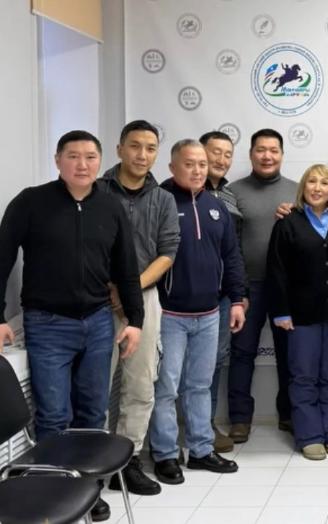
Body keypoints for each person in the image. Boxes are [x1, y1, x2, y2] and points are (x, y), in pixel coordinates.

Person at [0, 130, 143, 522]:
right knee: (53, 416)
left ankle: (87, 491)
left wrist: (135, 321)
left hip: (98, 322)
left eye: (90, 157)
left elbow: (127, 269)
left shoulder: (111, 206)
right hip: (47, 325)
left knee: (93, 413)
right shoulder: (31, 202)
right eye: (73, 156)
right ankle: (53, 494)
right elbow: (2, 259)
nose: (82, 164)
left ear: (101, 161)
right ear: (58, 160)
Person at [149, 139, 246, 485]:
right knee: (166, 388)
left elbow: (231, 256)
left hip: (210, 313)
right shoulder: (158, 201)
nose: (197, 170)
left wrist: (237, 299)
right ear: (172, 167)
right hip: (169, 314)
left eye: (202, 164)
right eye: (189, 164)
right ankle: (165, 454)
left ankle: (201, 450)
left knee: (200, 386)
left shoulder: (217, 206)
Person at [97, 120, 180, 496]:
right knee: (96, 387)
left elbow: (168, 253)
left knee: (141, 383)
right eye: (134, 146)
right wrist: (112, 288)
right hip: (98, 299)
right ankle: (94, 462)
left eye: (150, 148)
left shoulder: (163, 198)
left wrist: (131, 289)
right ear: (119, 149)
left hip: (143, 298)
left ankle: (128, 459)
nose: (142, 154)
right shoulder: (96, 191)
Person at [267, 164, 328, 460]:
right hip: (300, 316)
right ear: (303, 187)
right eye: (312, 181)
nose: (317, 188)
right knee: (303, 376)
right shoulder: (287, 223)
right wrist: (281, 312)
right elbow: (277, 271)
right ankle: (310, 435)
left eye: (324, 183)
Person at [227, 129, 298, 443]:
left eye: (273, 150)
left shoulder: (298, 190)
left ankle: (289, 414)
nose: (267, 156)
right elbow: (229, 244)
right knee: (242, 353)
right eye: (261, 150)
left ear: (281, 154)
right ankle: (240, 419)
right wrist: (238, 290)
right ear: (251, 154)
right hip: (248, 287)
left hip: (288, 287)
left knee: (290, 354)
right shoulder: (233, 191)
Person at [200, 130, 243, 454]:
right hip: (183, 299)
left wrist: (238, 293)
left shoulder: (229, 196)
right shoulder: (175, 193)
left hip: (223, 296)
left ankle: (205, 427)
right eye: (215, 152)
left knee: (213, 364)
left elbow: (233, 251)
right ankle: (169, 435)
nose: (222, 159)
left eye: (228, 154)